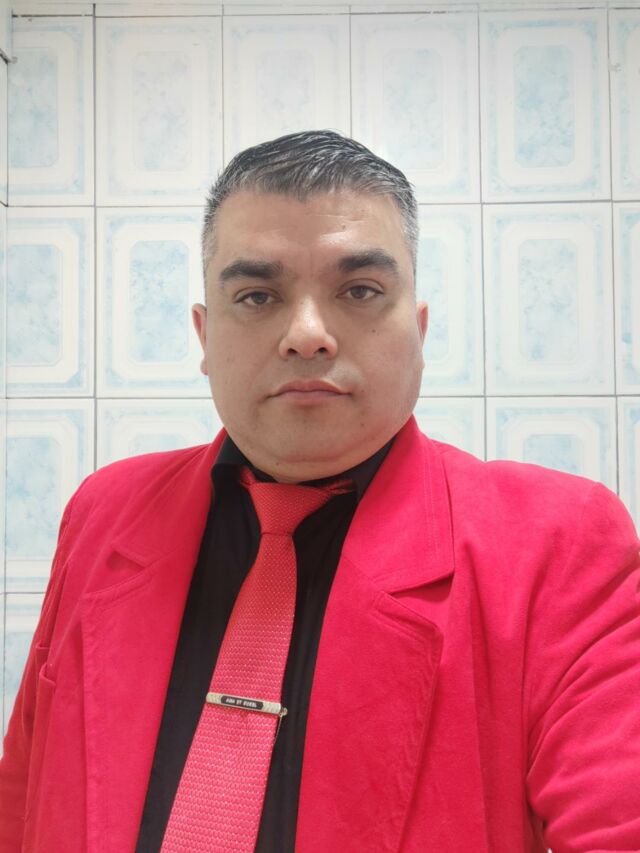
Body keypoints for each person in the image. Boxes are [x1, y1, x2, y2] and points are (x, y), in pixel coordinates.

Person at [0, 129, 639, 853]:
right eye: (257, 295)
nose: (306, 334)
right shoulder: (104, 512)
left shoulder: (557, 544)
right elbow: (22, 798)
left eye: (359, 291)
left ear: (418, 330)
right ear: (204, 336)